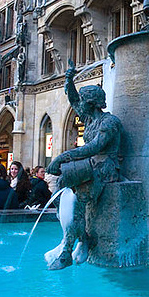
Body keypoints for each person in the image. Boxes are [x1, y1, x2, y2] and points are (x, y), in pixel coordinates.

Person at [46, 60, 123, 270]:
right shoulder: (89, 119)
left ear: (91, 103)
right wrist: (69, 79)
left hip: (106, 168)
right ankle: (83, 236)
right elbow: (72, 100)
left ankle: (67, 251)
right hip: (90, 164)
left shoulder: (109, 122)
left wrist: (62, 157)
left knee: (79, 199)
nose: (80, 105)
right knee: (61, 186)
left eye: (83, 101)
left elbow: (95, 147)